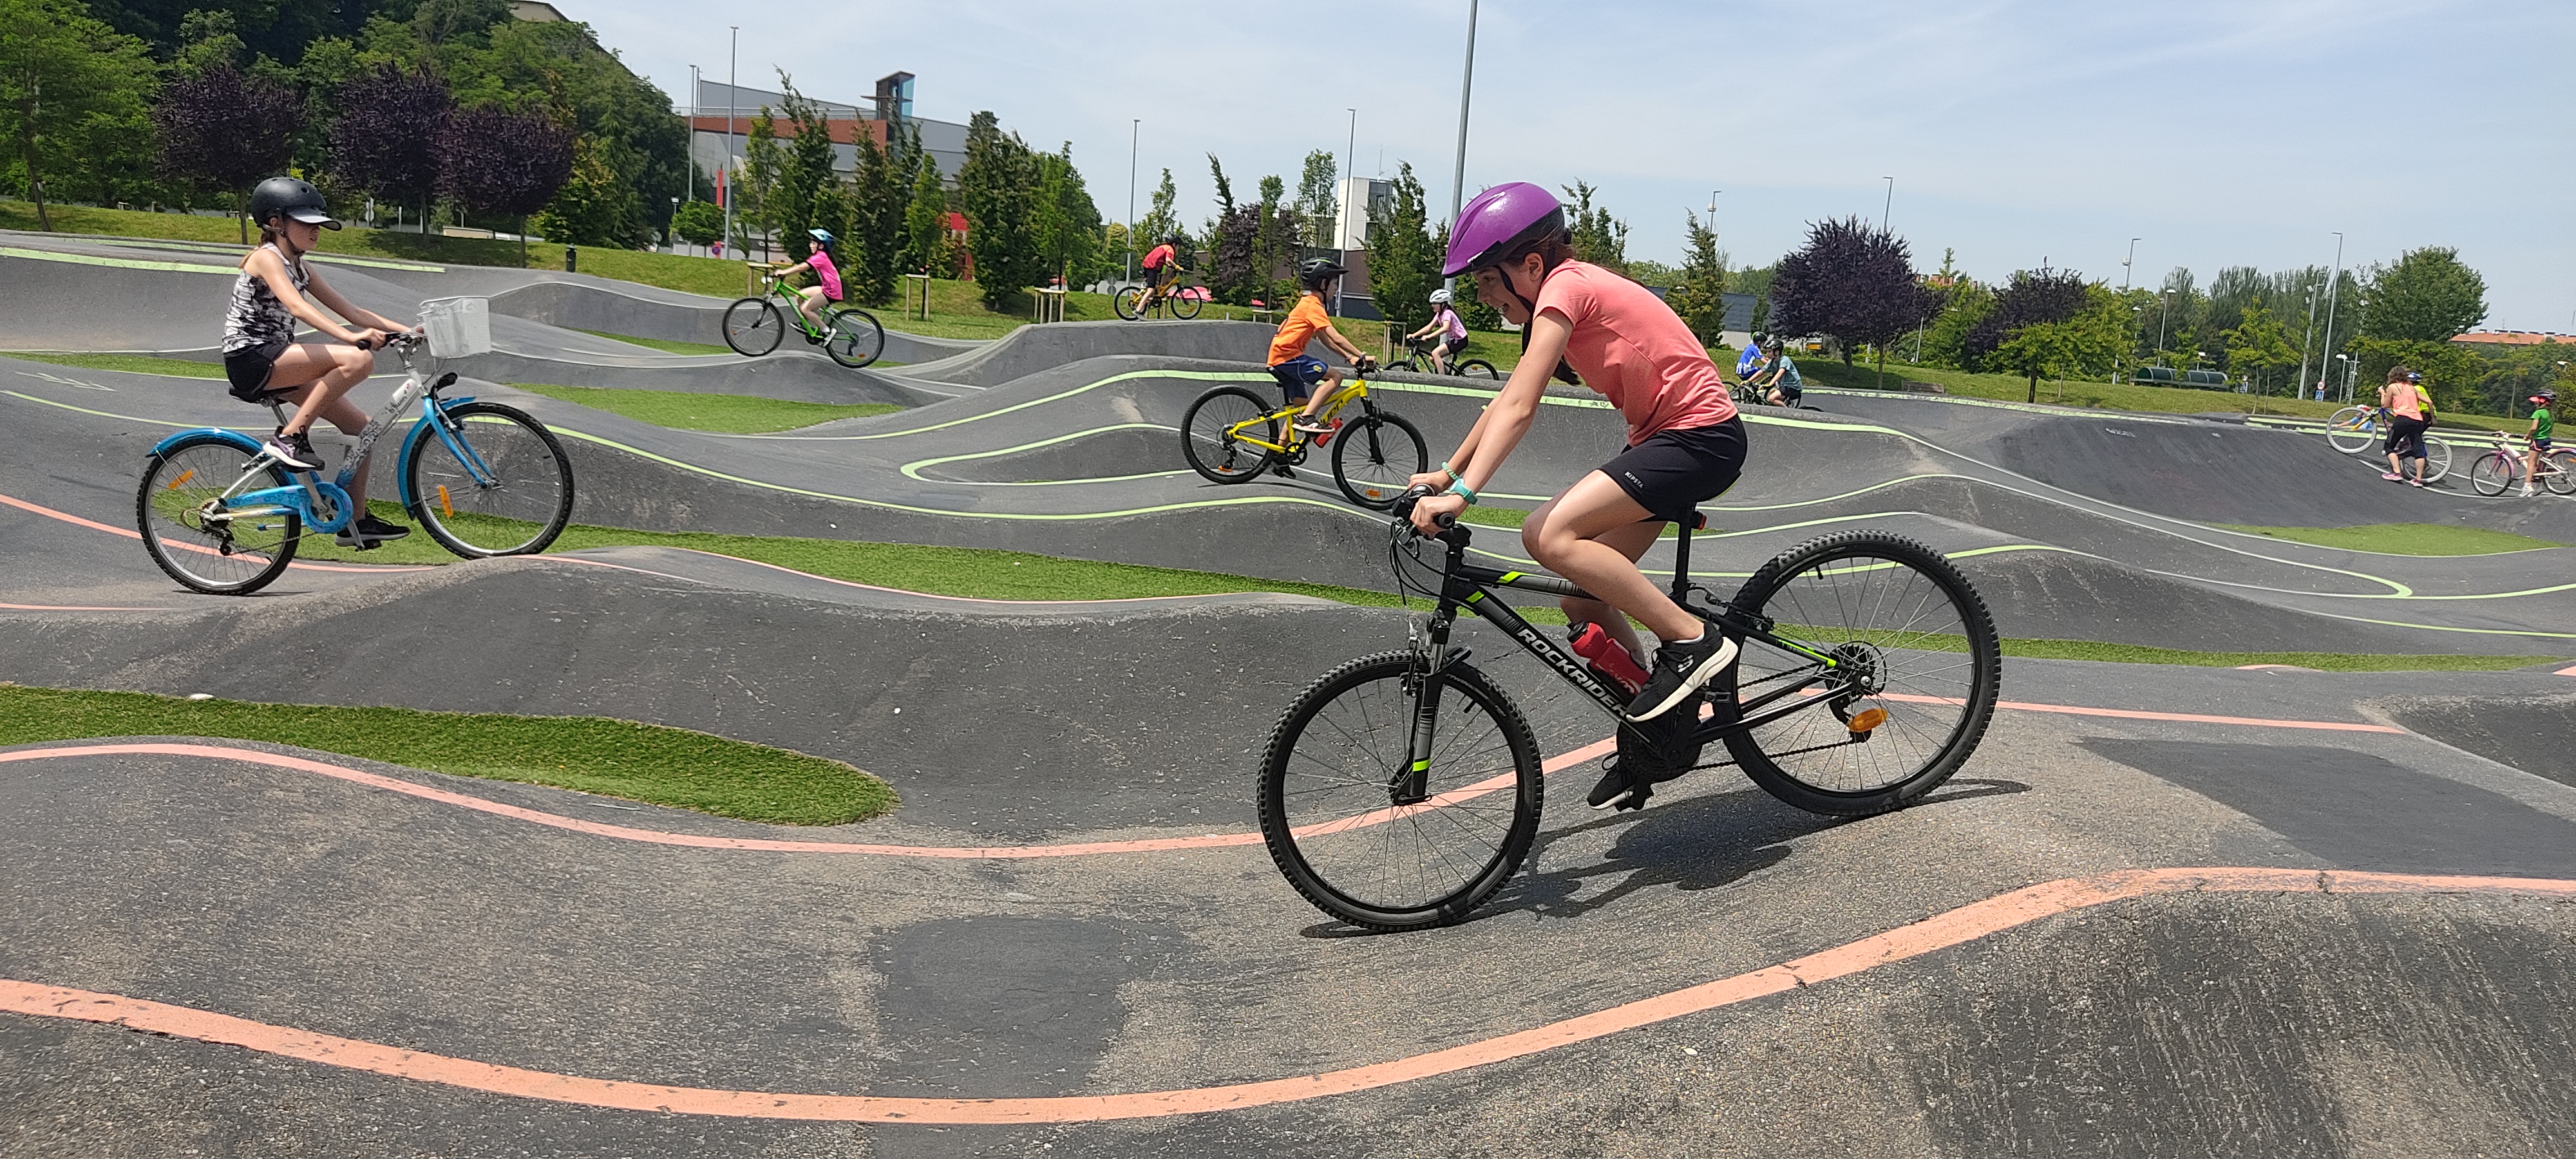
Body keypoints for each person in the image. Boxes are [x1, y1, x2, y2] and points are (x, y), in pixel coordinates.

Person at [1403, 182, 1748, 810]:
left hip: (1700, 437)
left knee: (1547, 535)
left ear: (1530, 265)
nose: (1481, 295)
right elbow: (1507, 395)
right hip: (1665, 440)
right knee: (1581, 601)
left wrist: (1464, 496)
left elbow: (1521, 406)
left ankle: (1695, 643)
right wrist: (1446, 474)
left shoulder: (1566, 286)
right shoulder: (1551, 304)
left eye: (1486, 279)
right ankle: (1659, 730)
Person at [223, 176, 416, 547]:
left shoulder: (301, 267)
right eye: (307, 224)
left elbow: (352, 310)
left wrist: (409, 330)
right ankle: (290, 438)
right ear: (275, 222)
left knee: (363, 431)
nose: (316, 232)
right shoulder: (265, 258)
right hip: (251, 357)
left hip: (279, 358)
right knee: (358, 361)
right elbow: (298, 307)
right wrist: (349, 338)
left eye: (319, 225)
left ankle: (353, 523)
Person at [1273, 257, 1375, 439]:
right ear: (1323, 283)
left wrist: (1348, 357)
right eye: (1334, 284)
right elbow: (1336, 336)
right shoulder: (1313, 305)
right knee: (1336, 377)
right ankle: (1307, 418)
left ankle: (1278, 457)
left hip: (1282, 357)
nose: (1336, 289)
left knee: (1301, 408)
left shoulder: (1309, 304)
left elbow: (1325, 340)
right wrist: (1362, 356)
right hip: (1288, 357)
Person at [783, 228, 843, 337]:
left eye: (813, 242)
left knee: (805, 308)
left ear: (821, 246)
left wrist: (783, 272)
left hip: (831, 291)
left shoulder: (821, 257)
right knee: (799, 296)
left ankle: (826, 331)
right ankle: (807, 322)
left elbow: (802, 267)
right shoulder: (821, 256)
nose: (810, 245)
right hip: (827, 287)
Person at [2378, 366, 2432, 487]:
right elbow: (2429, 402)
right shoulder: (2412, 388)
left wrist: (2383, 393)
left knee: (2389, 446)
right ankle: (2418, 480)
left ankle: (2397, 473)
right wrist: (2433, 417)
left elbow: (2385, 405)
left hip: (2403, 419)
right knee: (2418, 450)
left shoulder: (2392, 387)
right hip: (2417, 420)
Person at [1403, 287, 1469, 373]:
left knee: (1435, 353)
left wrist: (1430, 336)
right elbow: (1428, 328)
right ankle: (1447, 376)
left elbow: (1445, 328)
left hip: (1461, 340)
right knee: (1432, 358)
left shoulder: (1448, 313)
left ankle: (1441, 379)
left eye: (1435, 303)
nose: (1432, 306)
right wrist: (1414, 335)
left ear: (1443, 304)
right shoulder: (1439, 315)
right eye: (1432, 303)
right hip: (1454, 340)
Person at [1747, 335, 1803, 407]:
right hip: (1784, 386)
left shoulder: (1785, 360)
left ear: (1777, 352)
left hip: (1793, 388)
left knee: (1771, 399)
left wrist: (1769, 385)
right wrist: (1748, 381)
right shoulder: (1773, 361)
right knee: (1773, 399)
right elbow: (1761, 372)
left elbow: (1779, 374)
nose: (1767, 354)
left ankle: (1788, 413)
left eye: (1769, 352)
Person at [1139, 233, 1187, 310]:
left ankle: (1161, 291)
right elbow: (1168, 260)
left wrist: (1172, 267)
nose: (1178, 249)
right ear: (1174, 244)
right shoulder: (1170, 249)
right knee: (1151, 290)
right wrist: (1177, 267)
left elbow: (1166, 262)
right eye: (1179, 246)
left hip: (1148, 264)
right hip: (1152, 267)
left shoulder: (1163, 247)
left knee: (1168, 270)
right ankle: (1138, 310)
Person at [2523, 388, 2556, 498]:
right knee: (2538, 462)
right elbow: (2551, 429)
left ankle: (2527, 486)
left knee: (2531, 463)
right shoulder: (2550, 414)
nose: (2536, 403)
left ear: (2542, 401)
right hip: (2546, 439)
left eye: (2537, 401)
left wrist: (2528, 435)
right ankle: (2539, 476)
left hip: (2538, 440)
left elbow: (2534, 428)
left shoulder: (2538, 413)